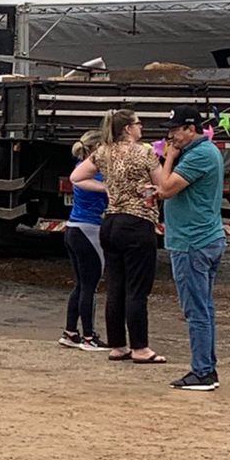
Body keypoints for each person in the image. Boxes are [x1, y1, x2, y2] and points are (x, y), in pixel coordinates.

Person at [71, 109, 163, 365]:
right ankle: (140, 347)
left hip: (110, 222)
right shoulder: (145, 152)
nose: (141, 127)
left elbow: (76, 177)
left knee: (115, 287)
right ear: (128, 128)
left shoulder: (103, 151)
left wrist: (106, 188)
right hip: (138, 221)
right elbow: (163, 184)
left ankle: (118, 345)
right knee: (137, 289)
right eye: (138, 123)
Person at [156, 104, 227, 392]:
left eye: (175, 131)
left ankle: (202, 371)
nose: (171, 137)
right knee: (204, 308)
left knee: (196, 310)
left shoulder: (199, 155)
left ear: (190, 129)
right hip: (204, 238)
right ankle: (207, 366)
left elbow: (165, 189)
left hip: (192, 242)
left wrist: (169, 158)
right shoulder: (202, 152)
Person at [59, 129, 107, 351]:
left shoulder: (80, 167)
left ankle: (71, 331)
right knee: (90, 286)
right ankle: (89, 336)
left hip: (73, 228)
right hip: (89, 230)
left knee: (80, 284)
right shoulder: (96, 175)